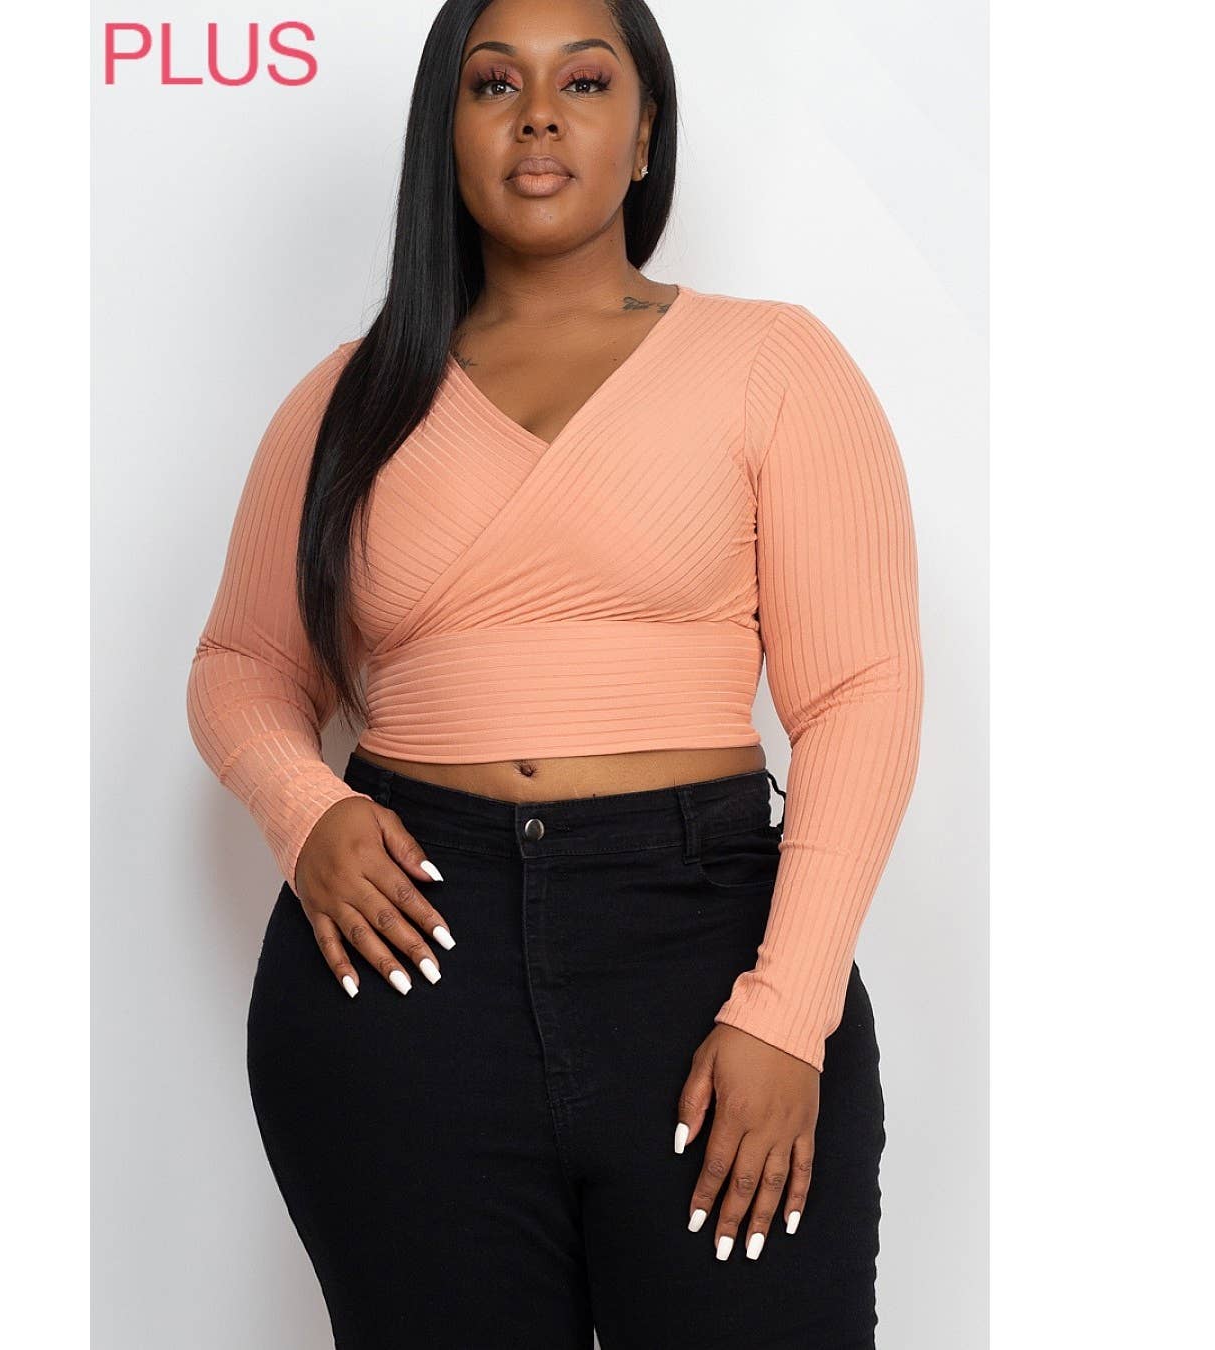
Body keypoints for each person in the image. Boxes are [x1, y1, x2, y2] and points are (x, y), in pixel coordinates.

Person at [185, 0, 923, 1345]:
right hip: (409, 970)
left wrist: (786, 1011)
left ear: (643, 134)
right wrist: (307, 810)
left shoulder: (774, 364)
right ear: (447, 131)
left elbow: (859, 695)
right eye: (492, 84)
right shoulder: (351, 398)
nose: (537, 115)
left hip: (704, 952)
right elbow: (242, 664)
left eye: (584, 81)